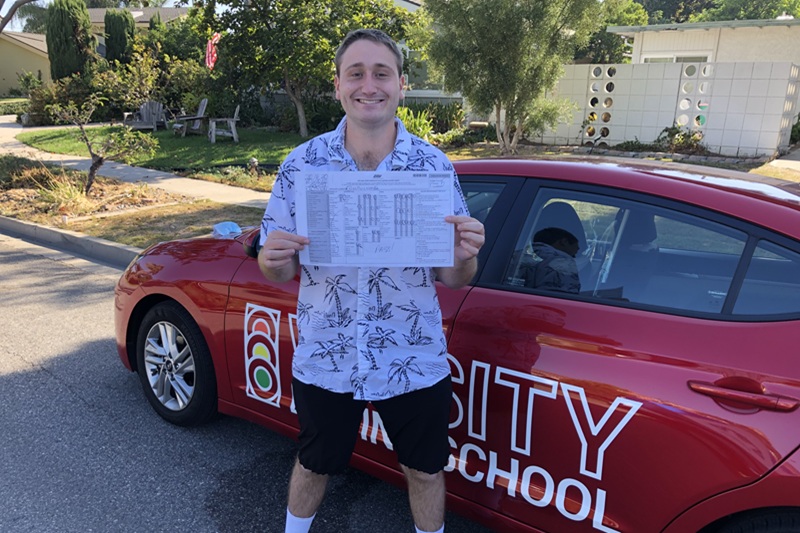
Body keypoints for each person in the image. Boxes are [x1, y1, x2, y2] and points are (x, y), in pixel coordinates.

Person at [257, 28, 485, 533]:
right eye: (355, 73)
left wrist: (465, 254)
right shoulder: (301, 166)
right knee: (315, 463)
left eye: (381, 73)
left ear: (401, 84)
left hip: (411, 355)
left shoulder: (432, 167)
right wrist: (271, 257)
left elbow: (453, 276)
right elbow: (280, 269)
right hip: (327, 353)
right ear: (337, 86)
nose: (369, 85)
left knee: (425, 471)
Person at [523, 226, 581, 293]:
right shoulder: (562, 260)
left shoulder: (516, 255)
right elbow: (563, 296)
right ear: (564, 242)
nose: (574, 257)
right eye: (574, 254)